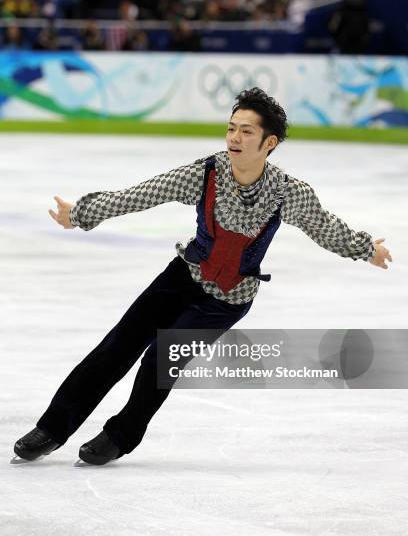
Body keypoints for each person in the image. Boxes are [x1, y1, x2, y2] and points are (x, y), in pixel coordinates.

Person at [13, 87, 392, 466]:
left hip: (226, 300)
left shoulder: (288, 193)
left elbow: (324, 227)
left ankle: (120, 435)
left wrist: (365, 248)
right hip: (182, 277)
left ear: (269, 142)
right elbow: (141, 195)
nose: (234, 138)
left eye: (246, 131)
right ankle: (52, 428)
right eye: (231, 129)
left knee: (162, 359)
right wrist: (81, 212)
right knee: (118, 346)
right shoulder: (205, 173)